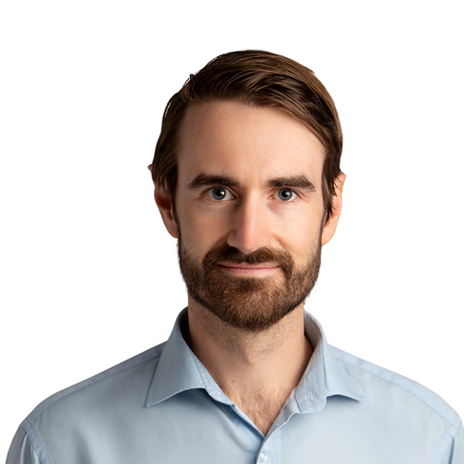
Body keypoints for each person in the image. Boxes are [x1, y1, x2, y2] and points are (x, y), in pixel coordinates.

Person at [6, 50, 463, 464]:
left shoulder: (431, 444)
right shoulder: (57, 446)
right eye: (218, 193)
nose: (248, 238)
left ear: (332, 208)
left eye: (285, 193)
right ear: (167, 203)